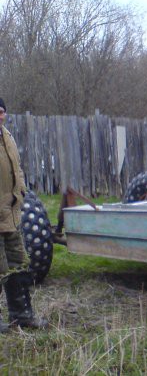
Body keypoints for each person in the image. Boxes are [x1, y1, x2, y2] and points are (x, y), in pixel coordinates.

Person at [0, 97, 48, 331]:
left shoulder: (7, 136)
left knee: (18, 265)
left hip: (11, 214)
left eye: (1, 111)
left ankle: (22, 315)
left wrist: (20, 191)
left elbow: (16, 168)